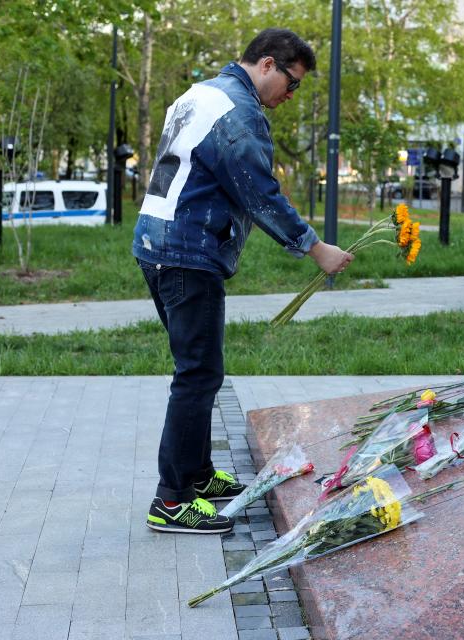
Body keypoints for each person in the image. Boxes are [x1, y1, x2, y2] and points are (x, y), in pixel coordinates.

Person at [134, 28, 353, 534]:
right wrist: (314, 247)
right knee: (197, 374)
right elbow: (259, 192)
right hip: (187, 252)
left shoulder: (201, 93)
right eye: (292, 84)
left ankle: (197, 475)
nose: (290, 96)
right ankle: (170, 501)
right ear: (268, 64)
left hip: (158, 241)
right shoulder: (239, 111)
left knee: (199, 369)